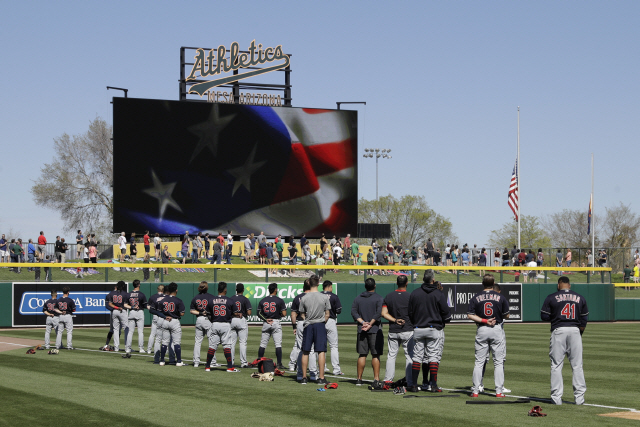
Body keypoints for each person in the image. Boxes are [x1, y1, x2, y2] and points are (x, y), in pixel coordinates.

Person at [540, 276, 589, 405]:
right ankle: (579, 399)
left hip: (559, 330)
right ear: (569, 285)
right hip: (575, 331)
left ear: (559, 284)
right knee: (577, 365)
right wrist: (580, 332)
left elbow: (544, 316)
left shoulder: (552, 297)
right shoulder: (580, 297)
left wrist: (555, 316)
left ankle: (556, 398)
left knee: (556, 365)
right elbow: (584, 319)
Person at [408, 270, 451, 393]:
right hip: (433, 329)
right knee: (433, 357)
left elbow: (410, 313)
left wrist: (415, 323)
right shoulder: (438, 294)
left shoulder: (415, 293)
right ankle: (433, 386)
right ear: (433, 280)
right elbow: (447, 315)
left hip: (418, 329)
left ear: (423, 279)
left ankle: (414, 385)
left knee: (417, 357)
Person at [467, 274, 510, 398]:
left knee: (479, 362)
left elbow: (470, 315)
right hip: (496, 329)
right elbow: (507, 315)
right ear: (493, 283)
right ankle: (499, 391)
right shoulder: (500, 297)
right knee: (498, 362)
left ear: (482, 284)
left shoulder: (476, 297)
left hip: (482, 328)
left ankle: (475, 391)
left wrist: (484, 320)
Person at [382, 275, 414, 388]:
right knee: (409, 356)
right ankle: (410, 382)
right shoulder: (410, 296)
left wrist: (395, 320)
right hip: (408, 329)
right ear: (407, 283)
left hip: (393, 329)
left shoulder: (389, 296)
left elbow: (384, 313)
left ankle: (388, 380)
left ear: (396, 283)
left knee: (391, 355)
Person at [351, 277, 384, 387]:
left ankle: (359, 379)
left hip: (362, 329)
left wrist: (363, 322)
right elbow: (379, 313)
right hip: (374, 329)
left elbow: (353, 312)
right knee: (375, 355)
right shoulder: (379, 298)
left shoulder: (358, 298)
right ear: (374, 286)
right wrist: (370, 323)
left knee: (362, 354)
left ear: (365, 286)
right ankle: (376, 379)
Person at [298, 275, 331, 385]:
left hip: (308, 324)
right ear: (318, 283)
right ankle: (321, 377)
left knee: (306, 351)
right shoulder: (324, 297)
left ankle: (303, 377)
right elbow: (327, 314)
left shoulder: (304, 297)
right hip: (319, 324)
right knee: (321, 351)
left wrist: (307, 319)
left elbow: (302, 314)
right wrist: (322, 321)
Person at [204, 282, 240, 372]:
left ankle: (207, 366)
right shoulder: (230, 300)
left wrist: (212, 320)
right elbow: (236, 313)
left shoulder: (211, 300)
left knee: (212, 346)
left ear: (217, 289)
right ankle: (230, 367)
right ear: (225, 290)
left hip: (215, 323)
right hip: (225, 324)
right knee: (227, 345)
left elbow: (207, 313)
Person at [289, 280, 318, 379]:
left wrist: (294, 327)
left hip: (301, 323)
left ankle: (300, 374)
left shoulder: (298, 298)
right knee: (313, 349)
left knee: (301, 349)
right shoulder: (316, 296)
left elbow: (293, 314)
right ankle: (313, 374)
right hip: (313, 322)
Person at [257, 283, 287, 368]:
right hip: (275, 321)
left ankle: (259, 362)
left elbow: (258, 313)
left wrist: (265, 319)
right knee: (278, 344)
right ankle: (279, 363)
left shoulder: (263, 300)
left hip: (266, 322)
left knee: (263, 344)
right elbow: (284, 313)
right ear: (275, 290)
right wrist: (278, 315)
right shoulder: (279, 300)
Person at [189, 281, 213, 368]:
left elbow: (192, 311)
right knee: (211, 341)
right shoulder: (211, 297)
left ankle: (196, 362)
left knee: (198, 342)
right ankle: (212, 362)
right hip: (208, 319)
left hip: (199, 319)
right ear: (207, 288)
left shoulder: (195, 298)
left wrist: (200, 313)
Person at [322, 280, 343, 375]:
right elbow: (339, 310)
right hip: (330, 321)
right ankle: (336, 369)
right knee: (333, 346)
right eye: (331, 287)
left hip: (319, 321)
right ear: (329, 286)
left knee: (320, 346)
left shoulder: (318, 295)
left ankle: (322, 367)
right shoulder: (334, 296)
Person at [229, 283, 252, 368]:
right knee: (242, 342)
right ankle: (243, 363)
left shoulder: (231, 298)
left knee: (231, 343)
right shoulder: (245, 299)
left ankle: (230, 362)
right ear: (243, 290)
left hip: (232, 320)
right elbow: (249, 313)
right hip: (241, 320)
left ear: (236, 290)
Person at [123, 279, 147, 358]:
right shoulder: (141, 294)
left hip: (132, 312)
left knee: (130, 332)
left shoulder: (128, 294)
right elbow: (145, 306)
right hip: (139, 312)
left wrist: (132, 307)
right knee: (140, 332)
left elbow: (125, 305)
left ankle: (128, 348)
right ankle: (141, 348)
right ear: (139, 285)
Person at [108, 281, 129, 352]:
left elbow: (110, 304)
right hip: (122, 311)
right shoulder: (125, 294)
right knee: (126, 328)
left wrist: (116, 307)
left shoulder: (112, 293)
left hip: (115, 311)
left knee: (116, 330)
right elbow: (126, 304)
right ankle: (127, 347)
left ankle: (116, 347)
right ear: (123, 286)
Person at [146, 285, 165, 354]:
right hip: (163, 316)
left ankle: (149, 350)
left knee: (152, 334)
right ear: (163, 290)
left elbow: (148, 306)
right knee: (163, 334)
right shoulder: (165, 297)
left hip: (155, 315)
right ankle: (164, 350)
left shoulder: (153, 296)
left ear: (158, 289)